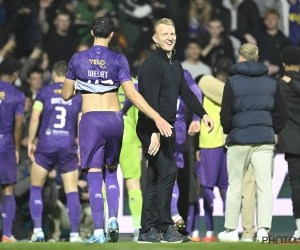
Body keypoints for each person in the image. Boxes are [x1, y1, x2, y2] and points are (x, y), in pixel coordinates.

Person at [62, 16, 173, 244]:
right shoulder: (119, 59)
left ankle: (98, 232)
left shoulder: (78, 59)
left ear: (92, 33)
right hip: (115, 119)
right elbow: (132, 95)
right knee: (112, 171)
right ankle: (114, 218)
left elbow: (65, 95)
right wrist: (156, 116)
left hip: (91, 120)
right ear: (112, 35)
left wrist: (83, 85)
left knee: (95, 174)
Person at [136, 18, 214, 244]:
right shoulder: (151, 64)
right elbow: (148, 100)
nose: (169, 37)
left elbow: (187, 94)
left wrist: (203, 114)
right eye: (164, 34)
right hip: (152, 126)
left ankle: (147, 230)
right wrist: (155, 130)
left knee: (156, 176)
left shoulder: (175, 64)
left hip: (165, 127)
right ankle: (165, 226)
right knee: (169, 171)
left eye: (172, 33)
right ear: (155, 39)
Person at [218, 43, 289, 242]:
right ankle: (263, 231)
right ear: (257, 58)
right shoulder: (272, 82)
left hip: (239, 140)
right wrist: (270, 129)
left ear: (240, 58)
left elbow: (225, 115)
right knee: (265, 186)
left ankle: (231, 231)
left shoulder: (231, 82)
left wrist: (231, 129)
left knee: (235, 186)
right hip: (264, 140)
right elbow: (283, 114)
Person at [27, 61, 82, 242]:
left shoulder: (43, 92)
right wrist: (81, 147)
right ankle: (74, 234)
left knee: (36, 187)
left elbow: (34, 117)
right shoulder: (76, 95)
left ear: (53, 74)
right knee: (71, 190)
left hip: (46, 144)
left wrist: (30, 141)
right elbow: (81, 122)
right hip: (67, 144)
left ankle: (37, 231)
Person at [198, 58, 233, 242]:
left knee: (207, 187)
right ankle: (230, 229)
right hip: (226, 144)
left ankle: (210, 232)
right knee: (225, 189)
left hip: (209, 143)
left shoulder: (205, 84)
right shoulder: (232, 90)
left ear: (215, 68)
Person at [171, 69, 202, 231]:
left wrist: (122, 112)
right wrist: (197, 119)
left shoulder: (152, 69)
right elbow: (197, 92)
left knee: (161, 177)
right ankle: (174, 219)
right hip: (180, 129)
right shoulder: (183, 73)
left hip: (160, 128)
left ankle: (170, 218)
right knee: (173, 175)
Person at [0, 58, 25, 243]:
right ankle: (7, 234)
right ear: (15, 74)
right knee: (8, 188)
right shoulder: (17, 95)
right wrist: (17, 149)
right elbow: (18, 126)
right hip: (6, 145)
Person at [277, 46, 300, 240]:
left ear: (284, 64)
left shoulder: (279, 85)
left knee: (297, 185)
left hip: (293, 144)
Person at [118, 77, 142, 242]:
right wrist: (140, 144)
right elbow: (138, 114)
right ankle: (137, 228)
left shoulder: (104, 80)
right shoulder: (133, 84)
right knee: (133, 183)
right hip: (129, 137)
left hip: (107, 135)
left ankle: (103, 228)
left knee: (105, 181)